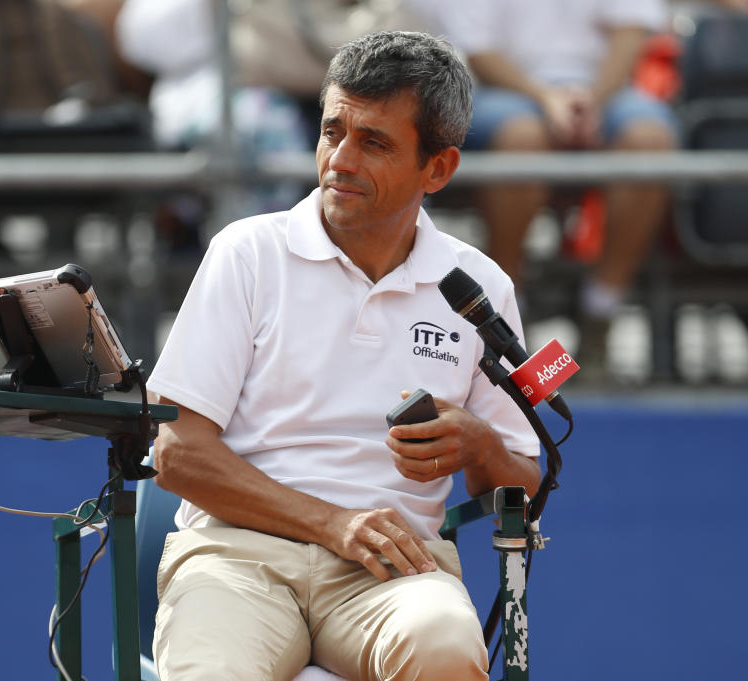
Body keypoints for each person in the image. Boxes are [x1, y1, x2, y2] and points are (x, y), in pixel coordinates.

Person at [145, 31, 541, 681]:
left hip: (395, 573)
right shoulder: (246, 252)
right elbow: (176, 452)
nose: (340, 160)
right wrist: (334, 524)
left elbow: (526, 488)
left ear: (438, 168)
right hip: (237, 562)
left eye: (375, 142)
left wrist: (480, 446)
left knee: (446, 645)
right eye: (333, 132)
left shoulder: (482, 288)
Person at [446, 0, 679, 372]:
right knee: (522, 138)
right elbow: (479, 52)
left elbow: (630, 36)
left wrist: (590, 101)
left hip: (603, 93)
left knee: (650, 138)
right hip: (502, 94)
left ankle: (600, 311)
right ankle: (508, 313)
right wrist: (547, 98)